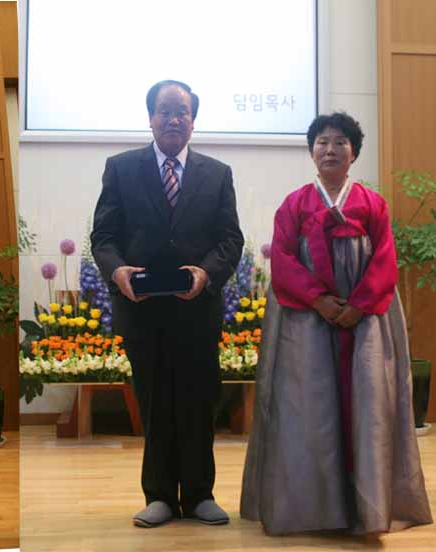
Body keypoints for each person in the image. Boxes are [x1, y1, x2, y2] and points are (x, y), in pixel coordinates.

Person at [240, 112, 432, 535]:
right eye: (322, 142)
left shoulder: (372, 204)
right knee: (307, 410)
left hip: (365, 322)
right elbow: (283, 261)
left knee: (368, 408)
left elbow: (385, 259)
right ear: (312, 151)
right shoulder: (294, 204)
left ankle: (367, 507)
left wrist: (358, 306)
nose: (330, 149)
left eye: (340, 142)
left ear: (353, 153)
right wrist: (320, 300)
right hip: (306, 321)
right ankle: (314, 509)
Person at [91, 80, 244, 528]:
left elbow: (230, 240)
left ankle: (199, 496)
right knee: (155, 404)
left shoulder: (218, 174)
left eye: (183, 112)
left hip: (197, 312)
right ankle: (158, 495)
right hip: (143, 311)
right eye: (165, 111)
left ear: (193, 121)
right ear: (150, 118)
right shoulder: (121, 168)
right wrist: (118, 271)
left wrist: (206, 273)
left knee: (198, 403)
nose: (174, 119)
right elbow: (103, 237)